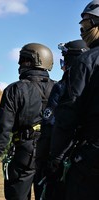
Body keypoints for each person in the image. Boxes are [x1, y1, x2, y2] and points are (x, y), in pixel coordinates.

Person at [0, 43, 55, 200]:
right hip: (51, 153)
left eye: (23, 59)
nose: (19, 64)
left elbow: (2, 127)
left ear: (34, 62)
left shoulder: (15, 90)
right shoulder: (59, 88)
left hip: (24, 153)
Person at [46, 1, 99, 200]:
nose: (82, 32)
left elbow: (68, 115)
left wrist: (55, 159)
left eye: (86, 25)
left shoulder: (86, 62)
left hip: (91, 157)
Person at [35, 40, 89, 200]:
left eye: (64, 59)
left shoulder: (63, 86)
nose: (62, 65)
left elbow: (51, 125)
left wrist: (48, 162)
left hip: (64, 160)